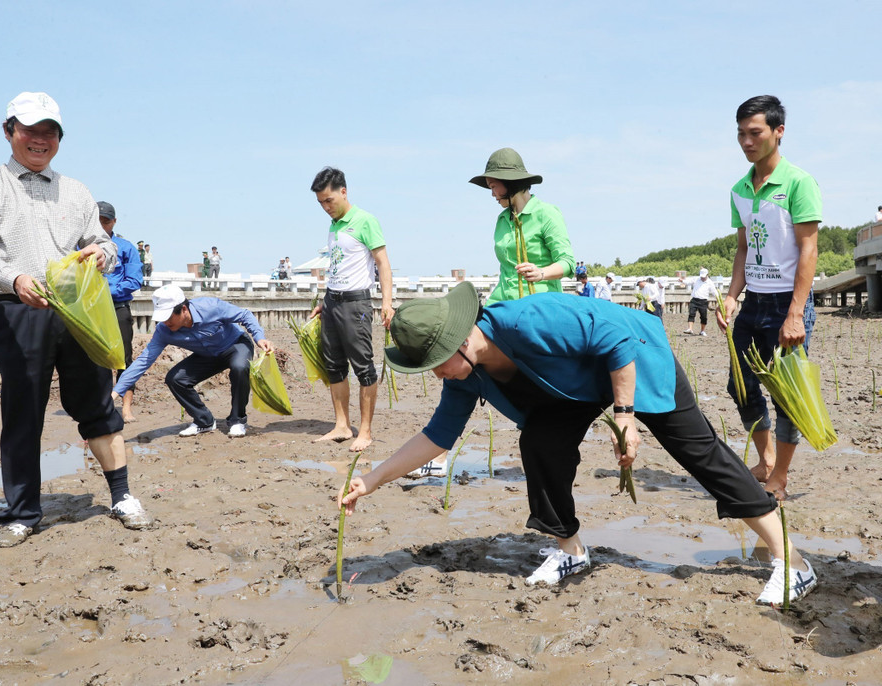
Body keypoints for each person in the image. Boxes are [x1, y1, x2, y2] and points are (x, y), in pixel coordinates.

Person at [340, 283, 817, 604]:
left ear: (459, 340)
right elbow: (436, 436)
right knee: (541, 442)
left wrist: (626, 416)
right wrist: (372, 478)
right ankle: (570, 548)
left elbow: (613, 338)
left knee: (700, 454)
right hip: (575, 390)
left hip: (635, 361)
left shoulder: (529, 319)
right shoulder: (466, 377)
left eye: (436, 362)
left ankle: (791, 560)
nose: (436, 374)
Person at [0, 91, 152, 547]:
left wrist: (101, 253)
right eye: (29, 129)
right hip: (17, 309)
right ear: (9, 132)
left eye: (49, 131)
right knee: (22, 412)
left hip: (76, 312)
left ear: (59, 139)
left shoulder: (78, 190)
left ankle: (122, 496)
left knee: (97, 403)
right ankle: (23, 512)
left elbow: (101, 241)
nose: (39, 139)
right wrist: (15, 277)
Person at [717, 95, 821, 500]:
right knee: (740, 385)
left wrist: (796, 314)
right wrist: (731, 295)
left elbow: (808, 249)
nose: (747, 141)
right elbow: (743, 247)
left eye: (755, 132)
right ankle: (764, 460)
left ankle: (779, 476)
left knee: (787, 393)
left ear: (778, 132)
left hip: (787, 304)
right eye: (741, 134)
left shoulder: (798, 182)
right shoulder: (739, 189)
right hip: (754, 303)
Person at [113, 285, 273, 438]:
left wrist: (259, 338)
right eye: (162, 318)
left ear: (183, 309)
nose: (165, 323)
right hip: (207, 356)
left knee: (239, 367)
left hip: (234, 344)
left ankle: (237, 420)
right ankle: (204, 421)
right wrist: (114, 393)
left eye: (168, 317)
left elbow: (245, 315)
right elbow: (143, 362)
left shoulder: (211, 307)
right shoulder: (164, 331)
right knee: (175, 379)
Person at [309, 167, 394, 452]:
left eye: (329, 200)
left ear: (343, 192)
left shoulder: (365, 221)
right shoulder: (333, 226)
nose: (325, 207)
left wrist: (386, 303)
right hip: (332, 301)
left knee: (364, 368)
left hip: (356, 303)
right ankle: (342, 426)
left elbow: (382, 263)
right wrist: (324, 302)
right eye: (321, 202)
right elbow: (338, 266)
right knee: (334, 366)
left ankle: (365, 431)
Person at [469, 148, 575, 304]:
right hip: (503, 302)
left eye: (493, 186)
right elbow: (506, 272)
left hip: (541, 304)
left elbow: (568, 263)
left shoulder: (546, 213)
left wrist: (541, 273)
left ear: (509, 181)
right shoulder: (503, 219)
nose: (492, 194)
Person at [97, 201, 143, 422]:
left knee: (124, 359)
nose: (101, 226)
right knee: (93, 358)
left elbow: (135, 280)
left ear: (113, 222)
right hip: (91, 313)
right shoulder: (79, 248)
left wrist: (106, 291)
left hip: (117, 308)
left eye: (105, 222)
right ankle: (99, 405)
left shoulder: (126, 247)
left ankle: (126, 408)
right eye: (97, 222)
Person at [681, 268, 718, 335]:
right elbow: (688, 281)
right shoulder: (696, 279)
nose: (702, 278)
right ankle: (690, 329)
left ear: (707, 275)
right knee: (691, 314)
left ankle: (702, 331)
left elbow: (714, 291)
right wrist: (682, 281)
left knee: (703, 317)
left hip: (703, 301)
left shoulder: (710, 282)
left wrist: (718, 298)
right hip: (694, 299)